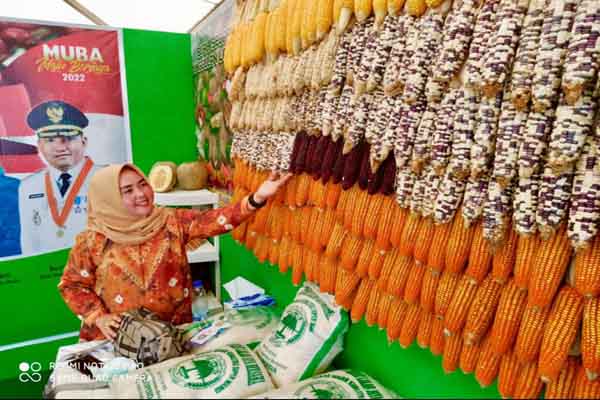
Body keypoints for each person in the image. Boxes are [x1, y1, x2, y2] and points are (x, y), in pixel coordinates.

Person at [58, 163, 290, 341]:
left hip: (172, 334)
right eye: (127, 191)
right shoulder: (92, 240)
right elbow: (72, 285)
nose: (141, 193)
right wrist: (99, 317)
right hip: (118, 341)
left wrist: (257, 197)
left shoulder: (170, 220)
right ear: (109, 200)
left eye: (143, 184)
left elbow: (215, 220)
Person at [18, 100, 102, 255]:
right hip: (46, 271)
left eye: (68, 138)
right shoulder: (28, 186)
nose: (60, 147)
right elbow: (29, 242)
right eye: (50, 140)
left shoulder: (106, 179)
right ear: (39, 146)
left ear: (83, 142)